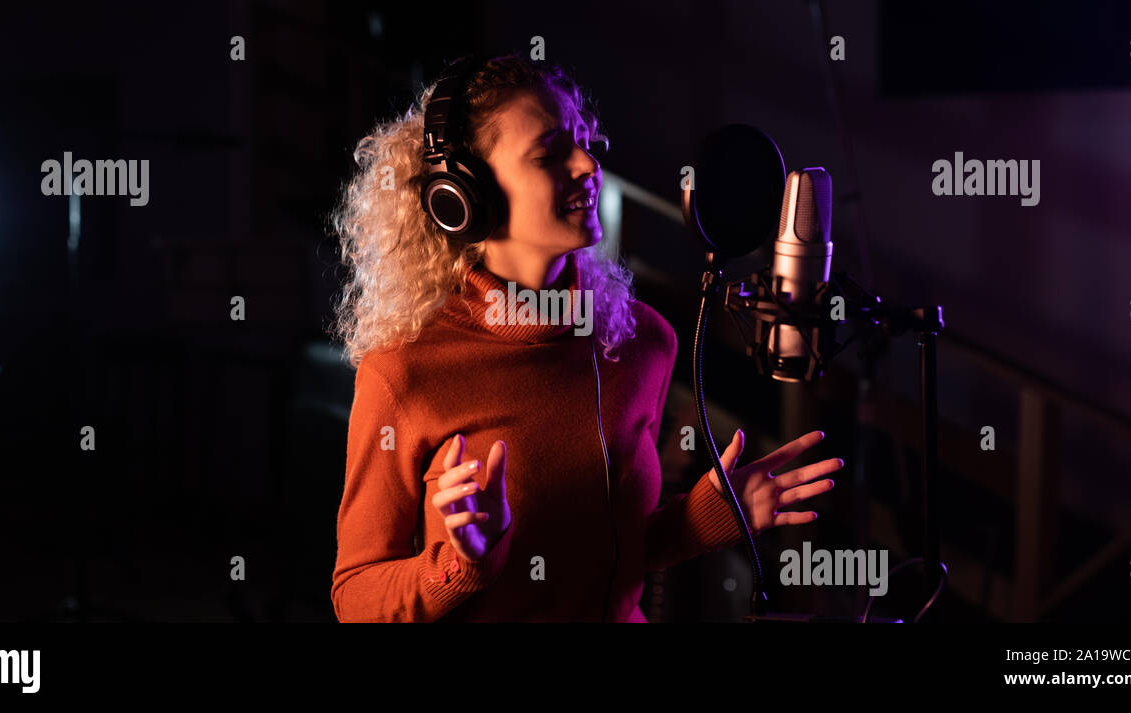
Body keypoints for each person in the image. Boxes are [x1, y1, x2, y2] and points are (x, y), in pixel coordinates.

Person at [328, 52, 841, 622]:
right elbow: (356, 598)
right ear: (464, 199)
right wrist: (460, 562)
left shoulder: (641, 341)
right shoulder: (404, 372)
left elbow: (609, 555)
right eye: (549, 153)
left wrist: (714, 513)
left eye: (582, 141)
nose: (588, 165)